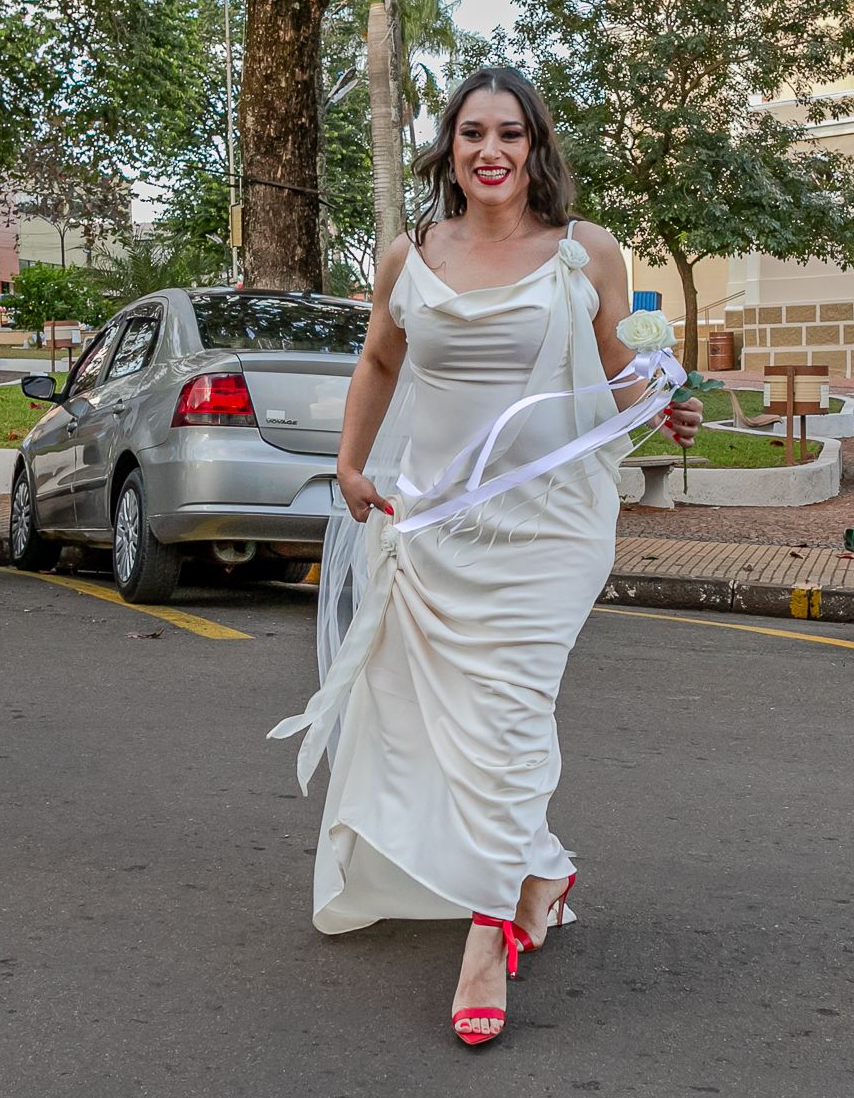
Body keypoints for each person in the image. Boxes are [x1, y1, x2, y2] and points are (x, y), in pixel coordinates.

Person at [269, 67, 704, 1048]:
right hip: (438, 525)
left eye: (510, 132)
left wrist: (666, 400)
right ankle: (537, 869)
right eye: (473, 132)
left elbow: (620, 372)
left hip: (552, 528)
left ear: (535, 147)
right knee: (455, 723)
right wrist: (349, 463)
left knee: (510, 711)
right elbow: (379, 360)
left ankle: (487, 930)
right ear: (451, 148)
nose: (491, 149)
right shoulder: (411, 256)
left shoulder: (586, 251)